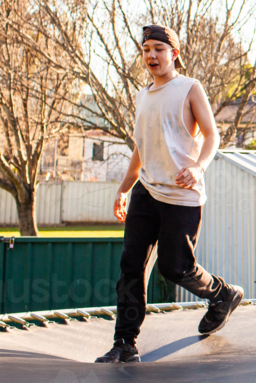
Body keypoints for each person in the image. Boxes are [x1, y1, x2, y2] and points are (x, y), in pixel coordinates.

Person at [95, 25, 244, 364]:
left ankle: (222, 295)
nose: (151, 55)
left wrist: (199, 167)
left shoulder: (190, 88)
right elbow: (141, 147)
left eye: (159, 49)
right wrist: (124, 187)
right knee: (131, 266)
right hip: (146, 191)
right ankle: (125, 344)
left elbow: (212, 136)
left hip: (181, 194)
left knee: (175, 268)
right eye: (146, 49)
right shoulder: (142, 95)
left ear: (173, 54)